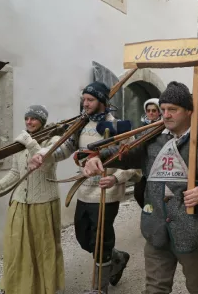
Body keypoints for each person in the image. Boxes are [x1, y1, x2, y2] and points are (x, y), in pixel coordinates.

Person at [81, 81, 198, 294]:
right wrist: (96, 157)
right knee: (155, 289)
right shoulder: (152, 138)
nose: (165, 115)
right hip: (156, 229)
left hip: (193, 231)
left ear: (188, 111)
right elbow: (124, 153)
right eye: (163, 109)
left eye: (172, 110)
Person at [29, 82, 141, 293]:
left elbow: (133, 165)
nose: (85, 103)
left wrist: (115, 179)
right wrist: (44, 155)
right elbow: (64, 149)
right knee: (83, 238)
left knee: (101, 240)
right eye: (84, 99)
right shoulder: (81, 126)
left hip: (105, 192)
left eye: (90, 100)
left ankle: (100, 288)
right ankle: (116, 258)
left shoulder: (120, 126)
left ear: (101, 101)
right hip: (84, 190)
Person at [0, 105, 65, 294]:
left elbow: (46, 165)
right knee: (16, 248)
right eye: (27, 118)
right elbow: (15, 173)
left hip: (44, 203)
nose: (29, 122)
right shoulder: (20, 144)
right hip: (20, 203)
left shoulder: (53, 140)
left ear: (43, 121)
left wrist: (31, 144)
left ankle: (45, 288)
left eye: (34, 118)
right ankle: (18, 287)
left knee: (43, 248)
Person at [135, 98, 163, 208]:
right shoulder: (142, 127)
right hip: (144, 167)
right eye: (148, 110)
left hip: (158, 167)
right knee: (139, 193)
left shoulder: (164, 127)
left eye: (154, 110)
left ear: (159, 112)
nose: (150, 113)